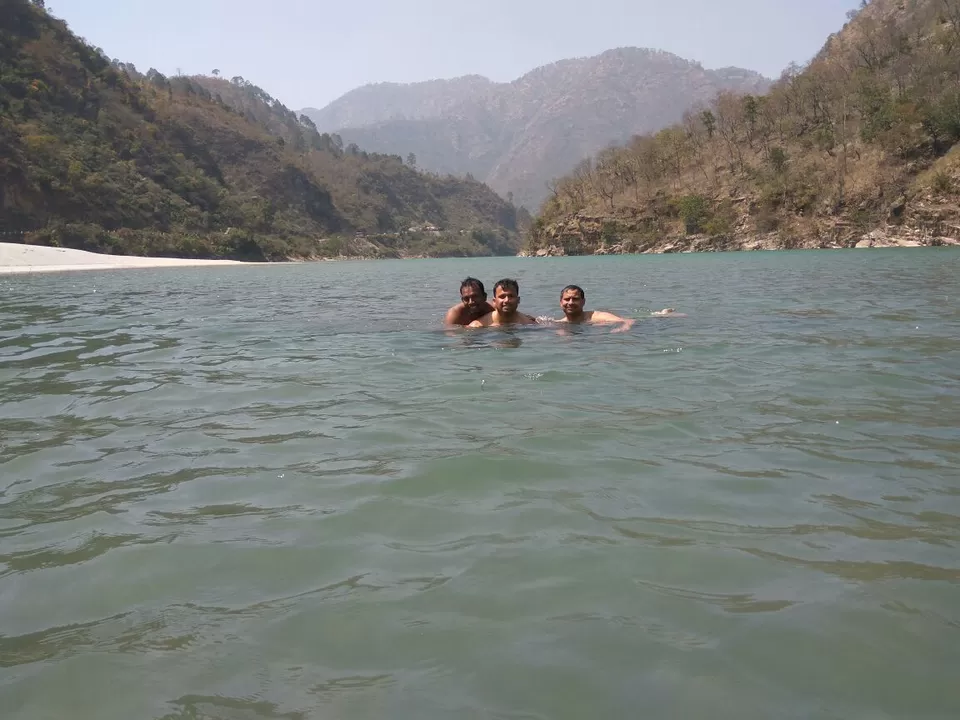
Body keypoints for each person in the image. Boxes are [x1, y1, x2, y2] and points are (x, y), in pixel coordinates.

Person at [556, 284, 635, 332]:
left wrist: (623, 328)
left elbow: (629, 321)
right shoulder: (559, 323)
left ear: (583, 302)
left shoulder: (597, 317)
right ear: (561, 302)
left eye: (575, 299)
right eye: (567, 299)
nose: (570, 303)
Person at [467, 278, 538, 327]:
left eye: (511, 296)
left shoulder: (529, 324)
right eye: (502, 296)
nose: (506, 300)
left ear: (518, 300)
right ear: (494, 301)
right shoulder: (478, 326)